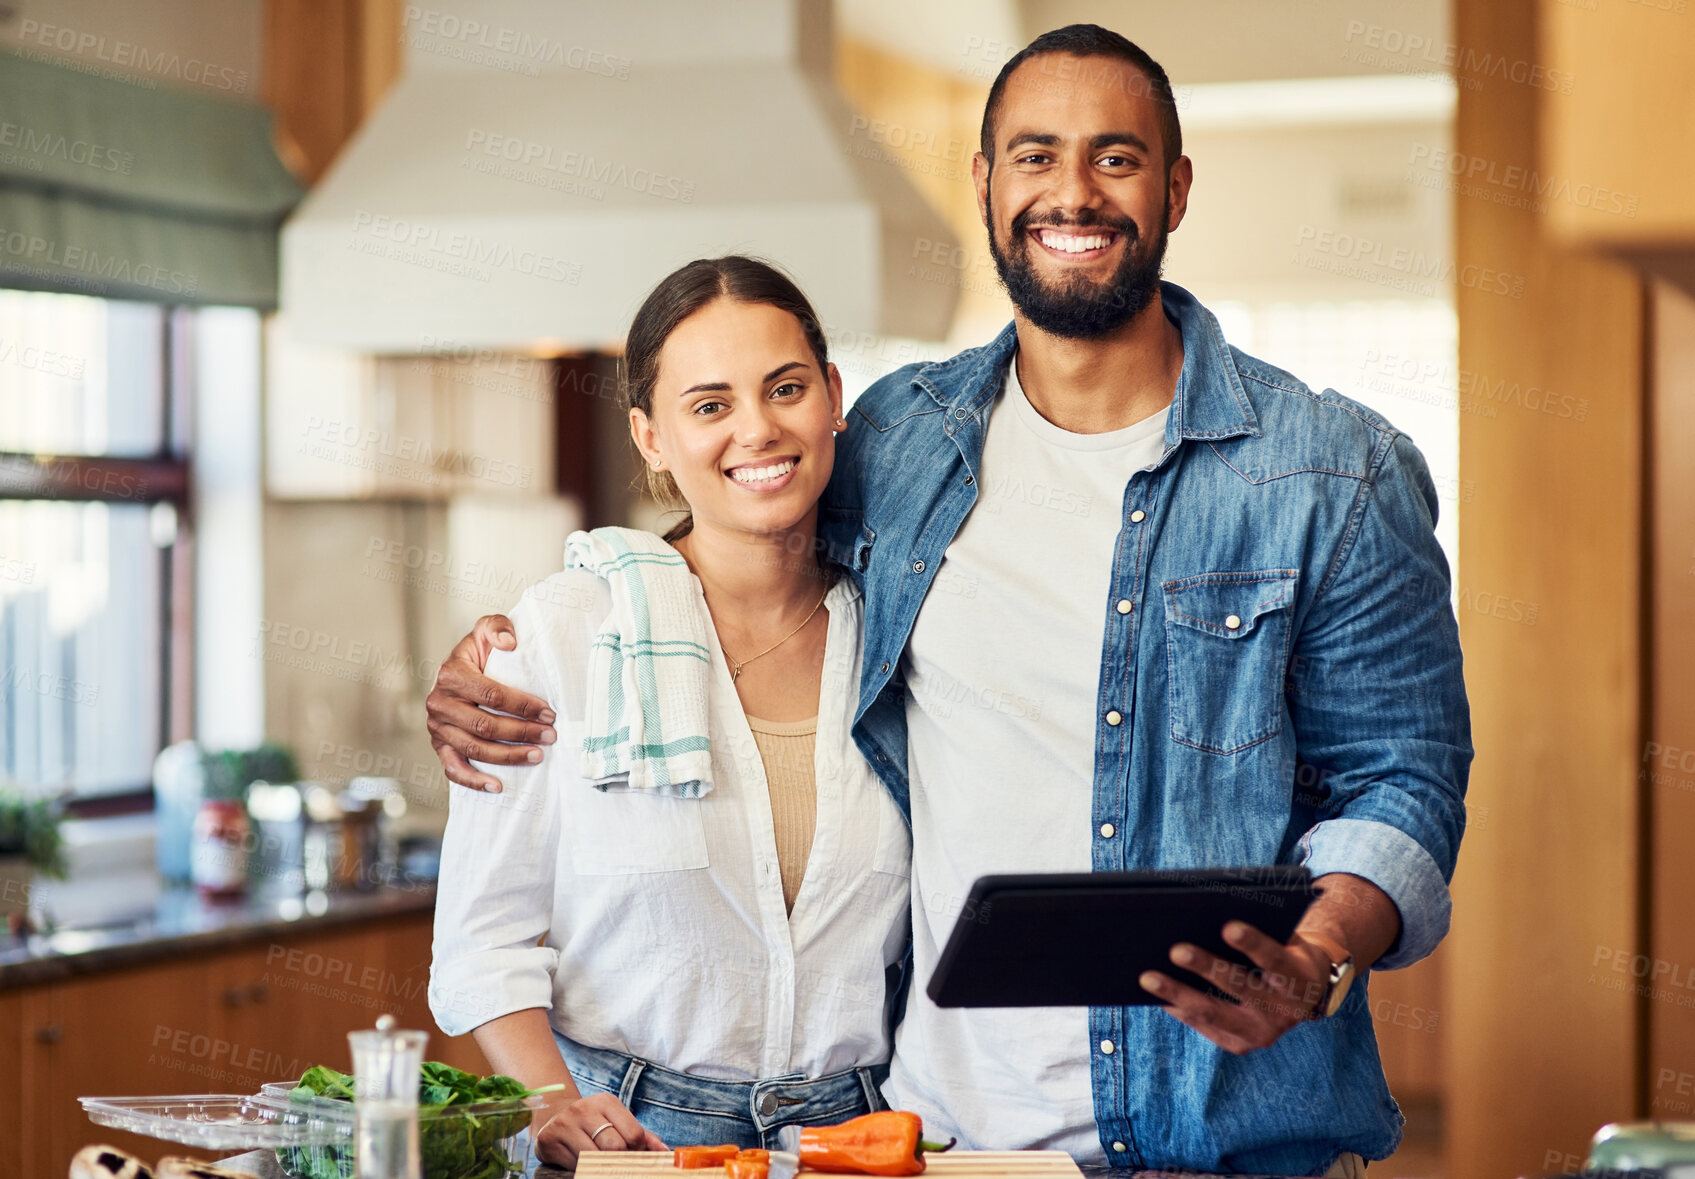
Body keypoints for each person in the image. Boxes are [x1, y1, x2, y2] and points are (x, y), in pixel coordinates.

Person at [425, 24, 1470, 1178]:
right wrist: (547, 638)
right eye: (1035, 156)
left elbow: (1405, 773)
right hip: (949, 1140)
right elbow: (749, 512)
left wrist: (1320, 952)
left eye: (1115, 158)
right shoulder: (904, 441)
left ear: (1174, 187)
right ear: (986, 184)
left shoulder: (1336, 471)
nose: (1072, 192)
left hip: (1228, 1136)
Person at [427, 257, 911, 1169]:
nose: (757, 429)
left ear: (832, 396)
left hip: (862, 1136)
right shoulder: (566, 634)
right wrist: (548, 1106)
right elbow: (478, 937)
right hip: (636, 1138)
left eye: (785, 387)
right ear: (651, 437)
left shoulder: (898, 634)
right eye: (709, 404)